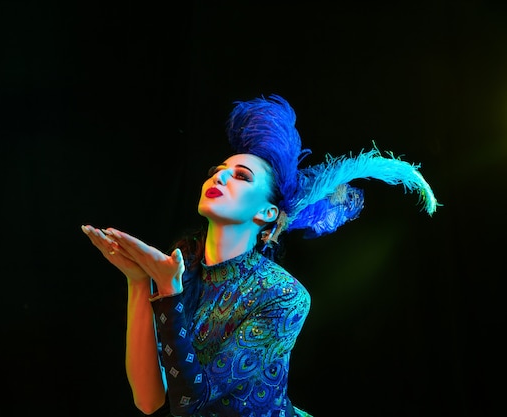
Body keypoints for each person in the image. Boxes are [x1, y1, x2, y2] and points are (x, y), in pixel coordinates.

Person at [81, 94, 438, 417]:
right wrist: (138, 280)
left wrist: (166, 289)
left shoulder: (284, 295)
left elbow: (191, 402)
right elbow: (148, 401)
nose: (219, 177)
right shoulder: (183, 269)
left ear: (268, 214)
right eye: (217, 171)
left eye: (240, 175)